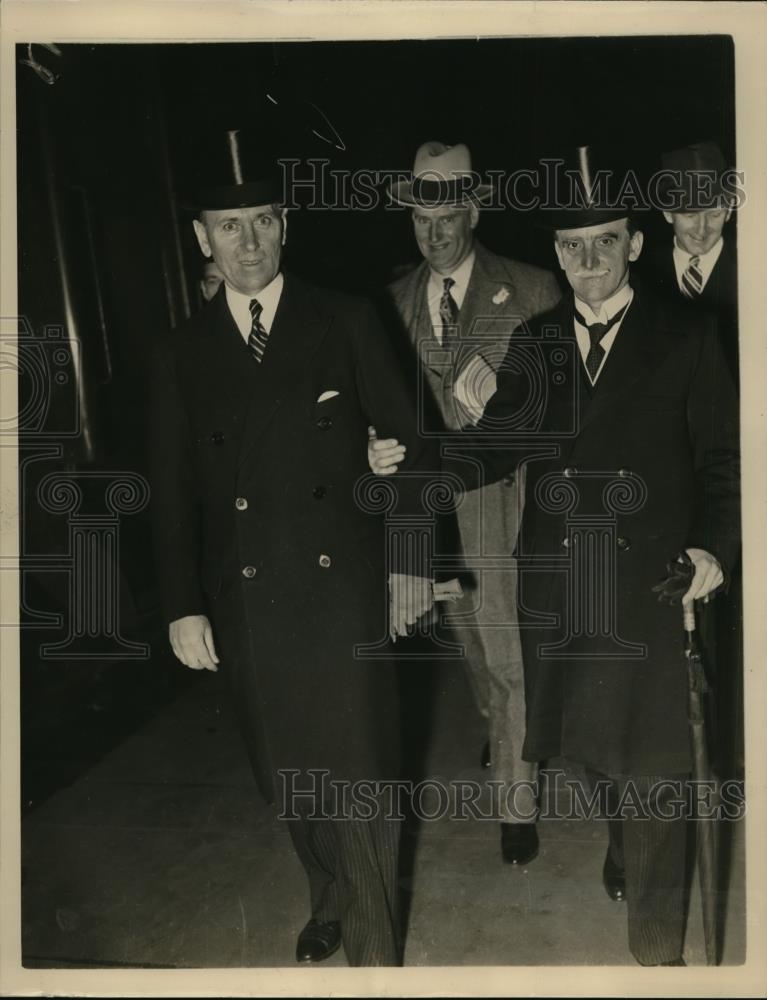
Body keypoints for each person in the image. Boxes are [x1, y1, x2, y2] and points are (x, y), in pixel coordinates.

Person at [370, 146, 740, 966]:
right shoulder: (539, 341)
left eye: (604, 242)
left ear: (634, 245)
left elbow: (726, 464)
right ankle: (620, 838)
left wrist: (712, 550)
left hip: (652, 586)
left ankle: (658, 963)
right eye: (571, 246)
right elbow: (493, 445)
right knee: (589, 755)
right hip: (560, 586)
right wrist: (408, 467)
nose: (587, 261)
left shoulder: (689, 336)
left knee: (653, 776)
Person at [149, 129, 436, 967]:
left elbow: (411, 446)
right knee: (288, 775)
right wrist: (181, 606)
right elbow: (170, 494)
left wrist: (412, 563)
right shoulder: (178, 352)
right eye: (227, 226)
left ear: (286, 227)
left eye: (262, 222)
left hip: (341, 588)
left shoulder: (344, 318)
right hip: (245, 604)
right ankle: (330, 893)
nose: (247, 243)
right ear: (201, 238)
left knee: (362, 778)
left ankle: (375, 961)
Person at [378, 140, 561, 866]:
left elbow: (559, 408)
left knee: (509, 650)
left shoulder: (533, 289)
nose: (435, 231)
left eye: (449, 214)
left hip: (502, 500)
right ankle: (504, 729)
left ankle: (516, 802)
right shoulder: (389, 305)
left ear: (473, 211)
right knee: (468, 645)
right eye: (422, 217)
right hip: (428, 505)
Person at [642, 140, 738, 382]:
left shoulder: (753, 268)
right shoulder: (640, 273)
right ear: (667, 213)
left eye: (714, 213)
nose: (702, 229)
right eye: (689, 214)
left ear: (728, 211)